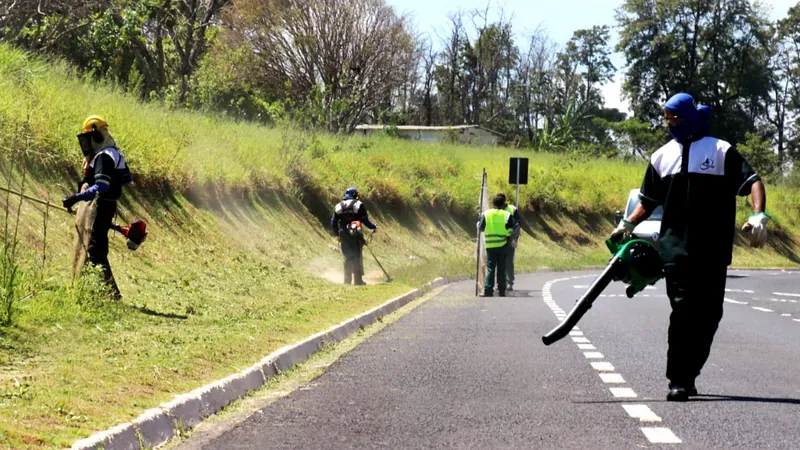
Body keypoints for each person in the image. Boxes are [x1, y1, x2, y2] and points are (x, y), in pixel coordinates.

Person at [611, 93, 768, 402]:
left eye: (674, 118)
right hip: (675, 249)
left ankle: (690, 373)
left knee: (710, 315)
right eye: (667, 118)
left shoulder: (720, 151)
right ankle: (678, 380)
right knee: (683, 310)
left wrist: (758, 214)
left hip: (713, 249)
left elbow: (753, 181)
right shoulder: (660, 157)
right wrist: (627, 224)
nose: (670, 124)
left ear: (689, 117)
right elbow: (648, 199)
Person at [62, 115, 134, 299]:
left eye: (89, 138)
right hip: (107, 206)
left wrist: (76, 198)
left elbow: (102, 186)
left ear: (96, 136)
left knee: (94, 249)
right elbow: (127, 179)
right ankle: (98, 291)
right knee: (97, 248)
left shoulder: (104, 156)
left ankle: (110, 294)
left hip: (100, 207)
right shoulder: (115, 153)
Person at [330, 187, 377, 285]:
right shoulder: (359, 204)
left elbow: (333, 222)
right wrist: (373, 227)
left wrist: (336, 234)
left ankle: (347, 281)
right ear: (355, 195)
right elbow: (365, 221)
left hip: (344, 235)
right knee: (356, 256)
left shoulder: (339, 206)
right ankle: (358, 281)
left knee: (346, 257)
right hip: (356, 235)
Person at [478, 194, 517, 297]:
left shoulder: (487, 214)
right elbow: (513, 227)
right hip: (503, 245)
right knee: (502, 268)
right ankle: (502, 290)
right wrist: (509, 237)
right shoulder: (506, 215)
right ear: (503, 204)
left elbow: (481, 228)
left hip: (490, 246)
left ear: (493, 203)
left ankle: (488, 290)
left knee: (490, 268)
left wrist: (478, 223)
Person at [498, 193, 521, 291]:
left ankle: (509, 282)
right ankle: (500, 283)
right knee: (499, 262)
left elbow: (518, 224)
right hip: (498, 240)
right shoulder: (495, 210)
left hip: (509, 240)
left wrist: (514, 239)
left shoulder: (512, 209)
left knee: (508, 262)